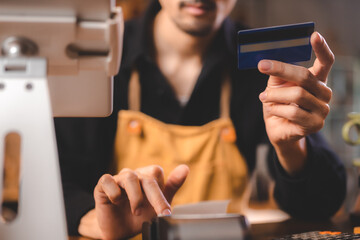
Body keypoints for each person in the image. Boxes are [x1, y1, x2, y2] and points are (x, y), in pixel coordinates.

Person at [55, 0, 347, 239]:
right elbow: (50, 178)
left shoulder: (260, 64)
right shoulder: (102, 57)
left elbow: (321, 205)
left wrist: (291, 147)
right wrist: (94, 220)